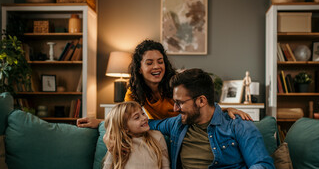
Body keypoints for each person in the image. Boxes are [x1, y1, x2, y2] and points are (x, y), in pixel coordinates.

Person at [148, 69, 282, 169]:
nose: (175, 108)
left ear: (201, 101)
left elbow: (263, 166)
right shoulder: (176, 125)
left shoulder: (237, 124)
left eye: (180, 102)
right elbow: (145, 124)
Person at [77, 40, 252, 128]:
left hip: (186, 128)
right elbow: (124, 118)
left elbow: (201, 103)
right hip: (161, 131)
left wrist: (226, 110)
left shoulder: (177, 83)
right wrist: (100, 123)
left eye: (160, 61)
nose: (156, 67)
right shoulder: (134, 91)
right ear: (139, 68)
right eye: (149, 62)